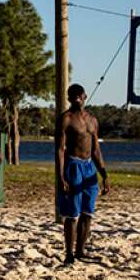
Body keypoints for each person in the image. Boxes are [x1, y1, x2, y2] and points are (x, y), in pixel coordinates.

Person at [56, 83, 110, 264]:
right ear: (69, 98)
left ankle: (80, 251)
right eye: (73, 96)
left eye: (80, 95)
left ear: (85, 96)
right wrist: (61, 176)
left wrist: (104, 173)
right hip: (72, 164)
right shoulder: (66, 119)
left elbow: (96, 149)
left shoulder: (92, 120)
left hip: (89, 168)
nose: (77, 98)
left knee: (88, 212)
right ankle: (69, 254)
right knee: (72, 213)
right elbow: (60, 150)